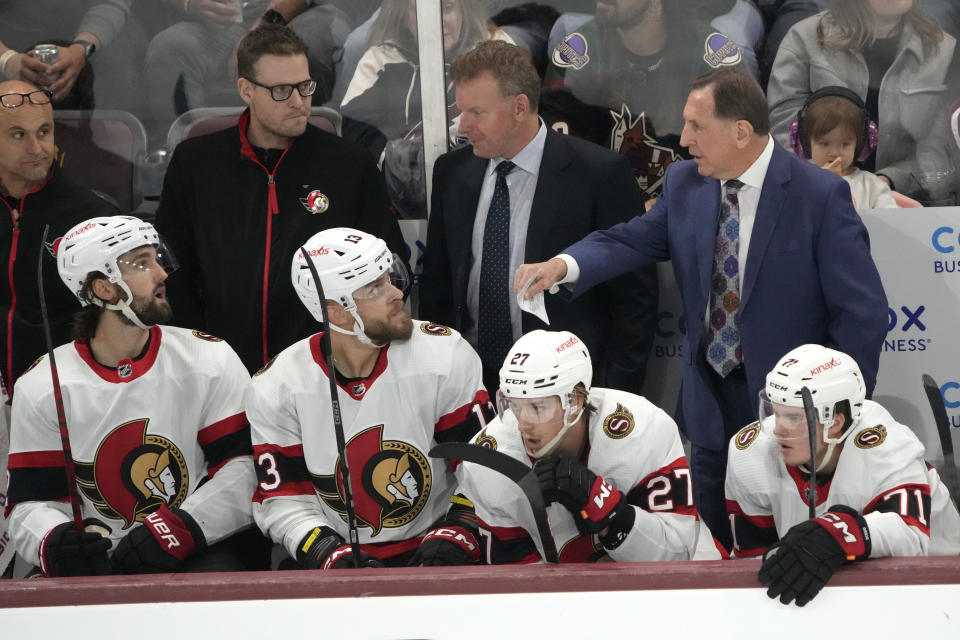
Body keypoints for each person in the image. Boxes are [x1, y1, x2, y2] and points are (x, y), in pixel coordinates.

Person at [515, 68, 888, 552]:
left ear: (740, 130)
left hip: (795, 414)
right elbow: (633, 239)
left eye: (697, 126)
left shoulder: (819, 195)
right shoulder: (684, 183)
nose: (684, 139)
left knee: (791, 545)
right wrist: (564, 265)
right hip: (708, 399)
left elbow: (862, 313)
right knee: (711, 541)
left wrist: (839, 408)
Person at [5, 216, 261, 576]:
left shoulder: (209, 358)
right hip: (96, 565)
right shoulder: (42, 384)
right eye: (142, 263)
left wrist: (178, 529)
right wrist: (55, 540)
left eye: (157, 258)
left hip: (193, 549)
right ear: (104, 290)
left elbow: (245, 468)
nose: (162, 274)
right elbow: (31, 503)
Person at [155, 24, 405, 374]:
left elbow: (389, 264)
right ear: (246, 90)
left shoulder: (349, 165)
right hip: (220, 367)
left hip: (326, 369)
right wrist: (199, 348)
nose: (299, 102)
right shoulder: (196, 163)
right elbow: (172, 267)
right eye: (282, 90)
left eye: (305, 86)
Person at [419, 40, 657, 397]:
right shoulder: (452, 172)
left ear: (519, 107)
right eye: (460, 110)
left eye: (477, 113)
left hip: (565, 392)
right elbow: (437, 283)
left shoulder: (598, 173)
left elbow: (633, 299)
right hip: (467, 389)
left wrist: (611, 393)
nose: (462, 126)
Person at [247, 228, 494, 569]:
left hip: (437, 546)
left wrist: (460, 530)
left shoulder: (444, 355)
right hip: (338, 554)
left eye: (389, 278)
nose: (397, 293)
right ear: (335, 312)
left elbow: (486, 467)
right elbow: (283, 498)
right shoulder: (277, 385)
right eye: (375, 287)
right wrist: (325, 553)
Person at [413, 329, 700, 565]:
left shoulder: (644, 429)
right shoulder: (490, 457)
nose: (522, 423)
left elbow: (678, 554)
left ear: (575, 401)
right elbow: (519, 582)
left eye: (537, 407)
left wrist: (610, 511)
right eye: (513, 405)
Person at [726, 344, 960, 606]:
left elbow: (909, 537)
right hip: (826, 588)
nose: (777, 430)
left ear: (834, 422)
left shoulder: (889, 446)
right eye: (774, 412)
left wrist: (835, 533)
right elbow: (754, 557)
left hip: (936, 592)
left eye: (793, 418)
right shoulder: (751, 452)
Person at [540, 0, 749, 200]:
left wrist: (669, 207)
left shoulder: (713, 57)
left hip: (690, 209)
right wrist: (625, 208)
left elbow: (736, 161)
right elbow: (563, 168)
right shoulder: (577, 56)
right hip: (605, 215)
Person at [767, 0, 957, 200]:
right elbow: (781, 131)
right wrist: (821, 180)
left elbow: (943, 152)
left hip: (904, 200)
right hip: (811, 195)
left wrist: (883, 184)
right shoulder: (804, 38)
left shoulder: (943, 50)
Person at [0, 79, 119, 398]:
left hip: (68, 401)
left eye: (44, 131)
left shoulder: (95, 217)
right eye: (18, 135)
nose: (37, 149)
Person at [340, 0, 513, 218]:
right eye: (420, 11)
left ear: (463, 10)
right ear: (405, 16)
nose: (438, 21)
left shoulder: (496, 49)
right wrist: (399, 165)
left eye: (447, 9)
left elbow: (515, 122)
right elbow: (357, 133)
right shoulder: (381, 59)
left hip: (482, 201)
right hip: (400, 210)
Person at [143, 0, 379, 143]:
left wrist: (266, 25)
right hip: (230, 19)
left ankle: (309, 161)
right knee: (169, 47)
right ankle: (190, 159)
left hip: (313, 10)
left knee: (303, 51)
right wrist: (190, 4)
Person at [790, 86, 897, 209]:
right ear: (805, 142)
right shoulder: (795, 182)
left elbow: (890, 223)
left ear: (860, 144)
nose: (835, 153)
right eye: (824, 144)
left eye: (845, 144)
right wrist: (821, 184)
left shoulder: (873, 187)